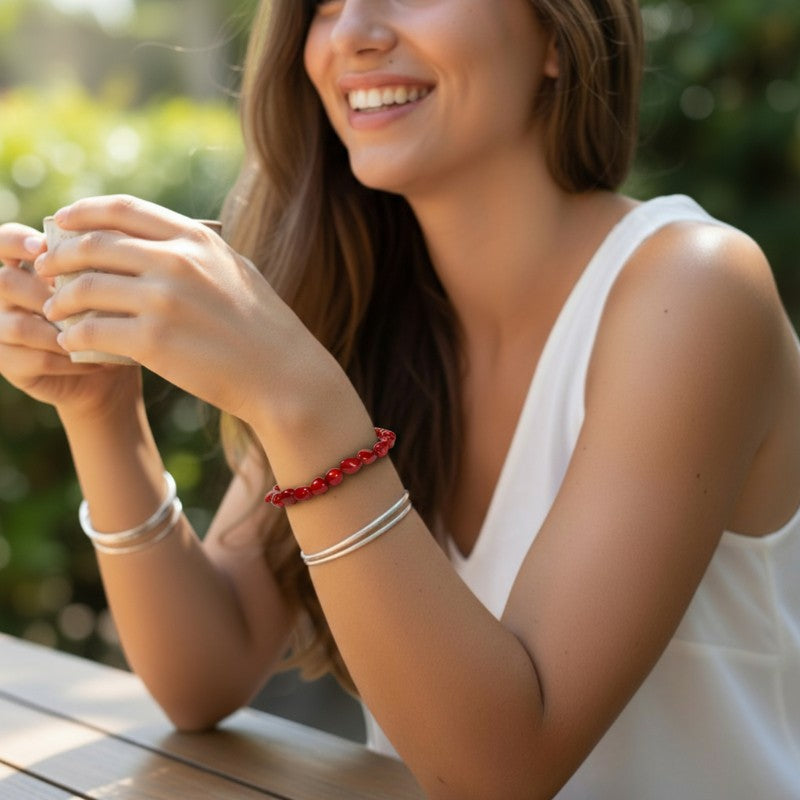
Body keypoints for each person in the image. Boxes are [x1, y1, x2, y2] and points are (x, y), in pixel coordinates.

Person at [1, 0, 798, 797]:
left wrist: (292, 394)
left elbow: (504, 767)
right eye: (324, 6)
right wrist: (99, 410)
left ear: (558, 34)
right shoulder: (364, 313)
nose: (353, 33)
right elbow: (206, 670)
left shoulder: (693, 290)